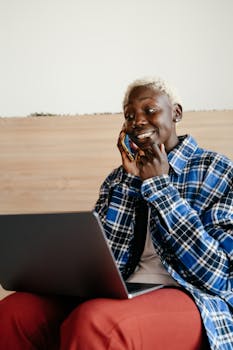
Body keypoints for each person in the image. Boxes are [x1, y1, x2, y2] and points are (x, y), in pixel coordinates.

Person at [0, 76, 232, 350]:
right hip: (124, 290)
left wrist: (160, 187)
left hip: (191, 295)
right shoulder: (117, 180)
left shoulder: (216, 169)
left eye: (150, 109)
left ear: (176, 112)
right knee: (13, 312)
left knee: (98, 324)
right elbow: (113, 265)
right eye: (129, 115)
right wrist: (131, 183)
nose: (139, 121)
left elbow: (220, 275)